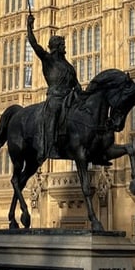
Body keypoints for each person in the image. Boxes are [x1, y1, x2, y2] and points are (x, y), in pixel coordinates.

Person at [27, 13, 80, 160]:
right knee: (55, 110)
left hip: (70, 98)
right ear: (56, 47)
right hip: (55, 98)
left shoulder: (68, 66)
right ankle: (51, 146)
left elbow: (77, 84)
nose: (65, 48)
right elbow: (34, 45)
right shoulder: (48, 60)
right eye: (63, 45)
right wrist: (29, 27)